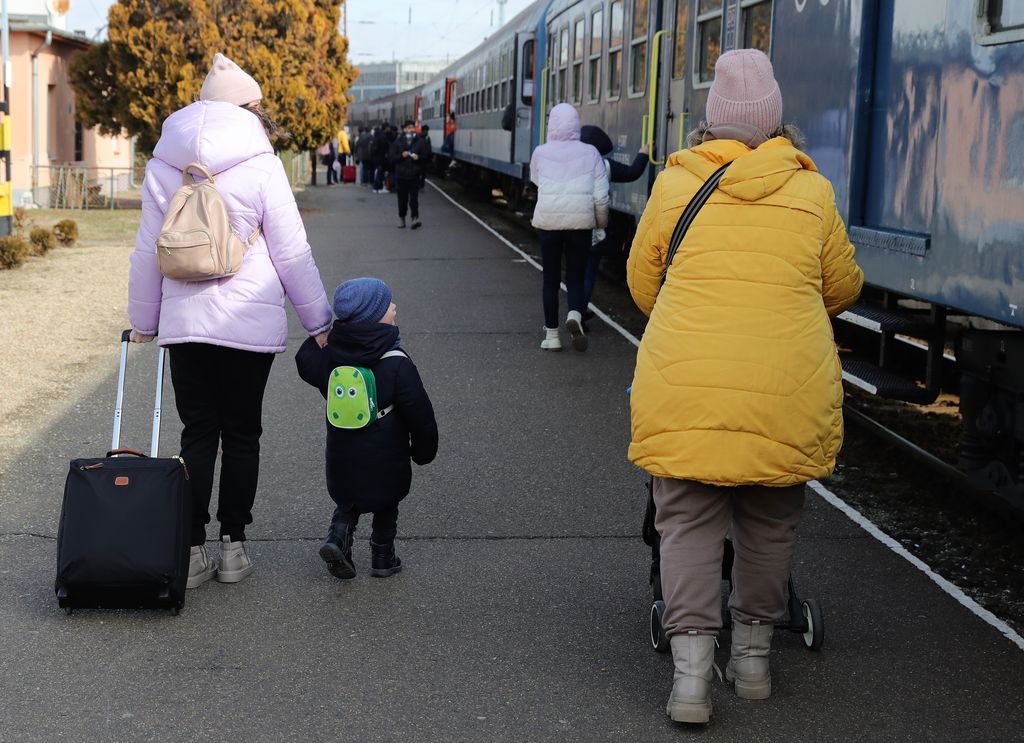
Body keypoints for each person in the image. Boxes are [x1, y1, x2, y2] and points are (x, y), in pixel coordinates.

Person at [625, 49, 864, 724]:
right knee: (767, 529)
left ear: (713, 120)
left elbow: (645, 288)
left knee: (688, 529)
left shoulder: (676, 186)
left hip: (687, 392)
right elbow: (842, 287)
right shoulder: (812, 191)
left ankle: (692, 683)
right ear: (775, 119)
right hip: (784, 393)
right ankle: (753, 663)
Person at [128, 53, 334, 589]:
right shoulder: (262, 162)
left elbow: (148, 249)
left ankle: (192, 551)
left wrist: (144, 321)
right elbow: (292, 253)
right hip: (249, 322)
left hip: (186, 323)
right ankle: (234, 547)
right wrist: (319, 320)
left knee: (197, 430)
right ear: (247, 108)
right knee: (243, 432)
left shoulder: (163, 163)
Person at [295, 278, 438, 579]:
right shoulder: (396, 363)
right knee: (387, 506)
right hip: (388, 460)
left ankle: (338, 539)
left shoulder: (332, 359)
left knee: (348, 502)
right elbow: (419, 412)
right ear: (374, 317)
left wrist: (322, 337)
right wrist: (424, 450)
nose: (395, 307)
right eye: (388, 305)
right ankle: (383, 557)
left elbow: (304, 362)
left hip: (342, 459)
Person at [528, 102, 609, 352]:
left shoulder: (540, 152)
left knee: (550, 279)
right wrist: (600, 224)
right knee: (575, 277)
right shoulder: (592, 153)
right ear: (576, 125)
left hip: (549, 223)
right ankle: (575, 314)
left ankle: (552, 336)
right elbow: (601, 197)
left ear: (551, 124)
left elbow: (536, 180)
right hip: (580, 224)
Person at [578, 125, 649, 320]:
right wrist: (644, 153)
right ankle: (579, 313)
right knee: (589, 272)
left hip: (568, 226)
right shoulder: (603, 165)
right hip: (592, 228)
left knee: (575, 272)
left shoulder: (567, 165)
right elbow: (633, 172)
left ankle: (571, 310)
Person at [389, 120, 430, 229]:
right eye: (408, 128)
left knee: (414, 199)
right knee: (402, 199)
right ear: (404, 129)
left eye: (412, 127)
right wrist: (401, 156)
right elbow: (391, 158)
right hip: (401, 175)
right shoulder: (397, 142)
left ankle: (414, 219)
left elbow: (427, 157)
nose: (411, 129)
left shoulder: (420, 142)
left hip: (414, 175)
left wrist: (419, 158)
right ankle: (402, 218)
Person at [417, 124, 433, 191]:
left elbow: (429, 148)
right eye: (426, 131)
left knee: (423, 173)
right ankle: (419, 185)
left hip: (424, 158)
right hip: (420, 158)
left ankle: (421, 185)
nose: (427, 132)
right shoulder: (419, 138)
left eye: (427, 131)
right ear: (423, 131)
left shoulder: (427, 138)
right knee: (419, 172)